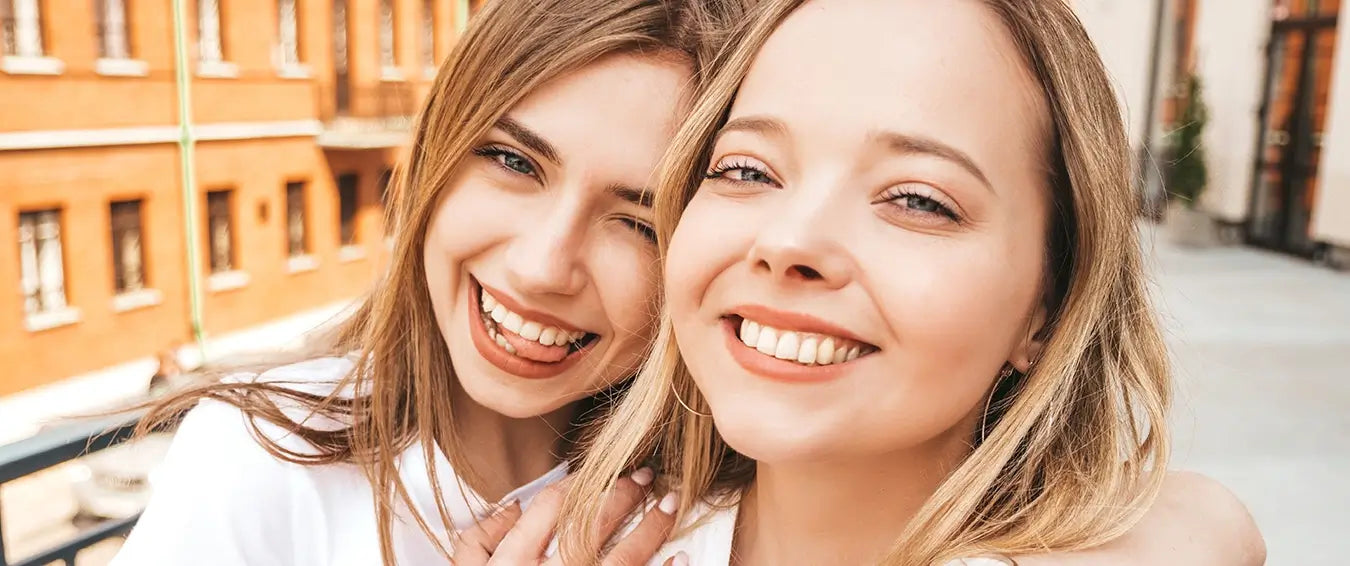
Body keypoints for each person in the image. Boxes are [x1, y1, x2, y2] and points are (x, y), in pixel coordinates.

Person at [543, 0, 1265, 564]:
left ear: (1046, 309)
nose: (789, 241)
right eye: (746, 169)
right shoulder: (568, 538)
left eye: (918, 199)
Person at [110, 0, 747, 563]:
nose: (542, 267)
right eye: (513, 161)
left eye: (640, 223)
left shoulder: (733, 505)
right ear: (435, 159)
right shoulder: (260, 462)